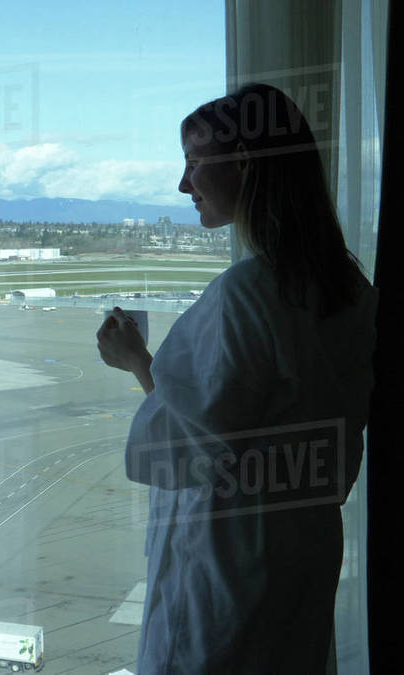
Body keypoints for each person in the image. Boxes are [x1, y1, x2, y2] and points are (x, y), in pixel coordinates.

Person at [96, 83, 378, 673]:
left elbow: (186, 449)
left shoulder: (245, 294)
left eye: (195, 162)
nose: (183, 184)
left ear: (247, 161)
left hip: (225, 569)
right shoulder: (352, 291)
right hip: (304, 555)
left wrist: (137, 361)